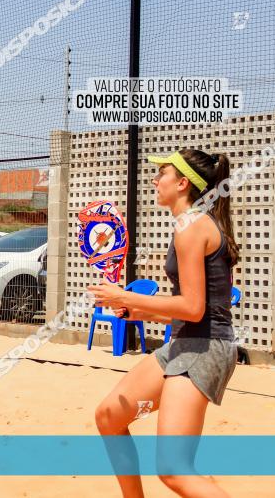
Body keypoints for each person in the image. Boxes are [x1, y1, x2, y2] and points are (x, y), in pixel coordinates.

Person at [89, 149, 239, 498]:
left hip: (205, 347)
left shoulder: (192, 228)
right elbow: (195, 308)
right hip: (190, 341)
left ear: (183, 183)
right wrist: (140, 312)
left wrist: (125, 297)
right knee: (110, 416)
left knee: (173, 471)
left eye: (163, 174)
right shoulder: (192, 225)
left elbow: (193, 308)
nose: (155, 180)